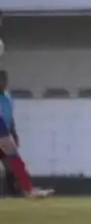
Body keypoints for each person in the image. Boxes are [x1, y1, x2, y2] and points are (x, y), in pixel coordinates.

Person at [0, 70, 53, 199]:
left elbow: (9, 117)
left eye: (5, 80)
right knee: (13, 157)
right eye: (2, 80)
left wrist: (13, 133)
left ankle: (22, 190)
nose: (4, 83)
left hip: (4, 130)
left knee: (11, 163)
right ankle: (28, 189)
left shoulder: (7, 98)